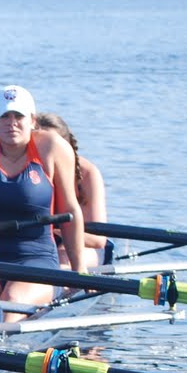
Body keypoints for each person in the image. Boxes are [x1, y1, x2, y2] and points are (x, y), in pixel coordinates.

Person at [0, 85, 85, 303]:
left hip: (36, 258)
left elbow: (70, 211)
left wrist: (79, 271)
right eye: (4, 116)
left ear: (32, 120)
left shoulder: (53, 148)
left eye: (19, 116)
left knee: (13, 297)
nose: (11, 122)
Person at [37, 111, 111, 272]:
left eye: (51, 144)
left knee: (63, 258)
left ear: (66, 146)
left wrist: (60, 231)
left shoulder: (87, 173)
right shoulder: (26, 171)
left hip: (84, 246)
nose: (44, 151)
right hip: (42, 245)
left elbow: (98, 240)